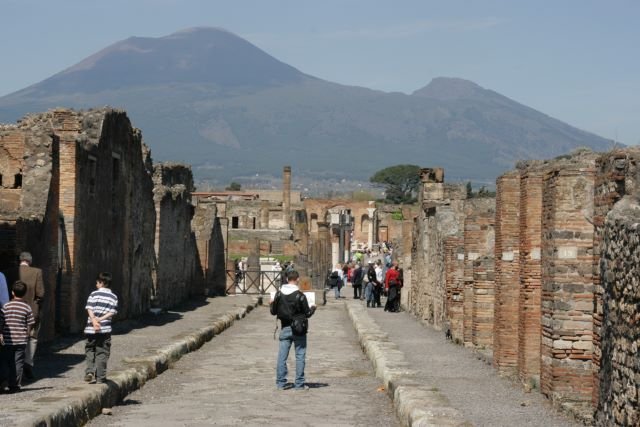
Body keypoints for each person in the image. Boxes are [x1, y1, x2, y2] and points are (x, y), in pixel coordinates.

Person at [270, 270, 316, 390]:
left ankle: (280, 383)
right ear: (297, 280)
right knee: (300, 356)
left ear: (286, 279)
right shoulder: (300, 295)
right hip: (299, 328)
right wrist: (313, 308)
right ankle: (299, 384)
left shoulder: (279, 294)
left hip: (285, 327)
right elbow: (307, 314)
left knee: (282, 356)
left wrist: (271, 304)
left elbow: (273, 312)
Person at [0, 280, 35, 393]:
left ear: (12, 293)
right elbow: (29, 323)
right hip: (21, 340)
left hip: (8, 340)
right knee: (18, 362)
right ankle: (14, 385)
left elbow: (1, 321)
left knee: (6, 361)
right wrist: (27, 334)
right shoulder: (27, 307)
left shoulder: (5, 306)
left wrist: (1, 333)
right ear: (24, 293)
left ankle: (4, 382)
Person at [84, 272, 118, 384]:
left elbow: (89, 308)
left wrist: (94, 320)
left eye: (97, 282)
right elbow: (112, 312)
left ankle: (89, 371)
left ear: (102, 282)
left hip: (91, 329)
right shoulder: (113, 296)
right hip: (104, 329)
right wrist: (100, 319)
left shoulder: (93, 294)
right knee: (102, 352)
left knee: (90, 349)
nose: (96, 284)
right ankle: (100, 377)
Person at [18, 251, 44, 381]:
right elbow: (40, 293)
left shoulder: (11, 271)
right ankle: (28, 363)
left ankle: (15, 365)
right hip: (32, 310)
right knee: (32, 337)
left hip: (13, 310)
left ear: (20, 260)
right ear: (30, 261)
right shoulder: (36, 272)